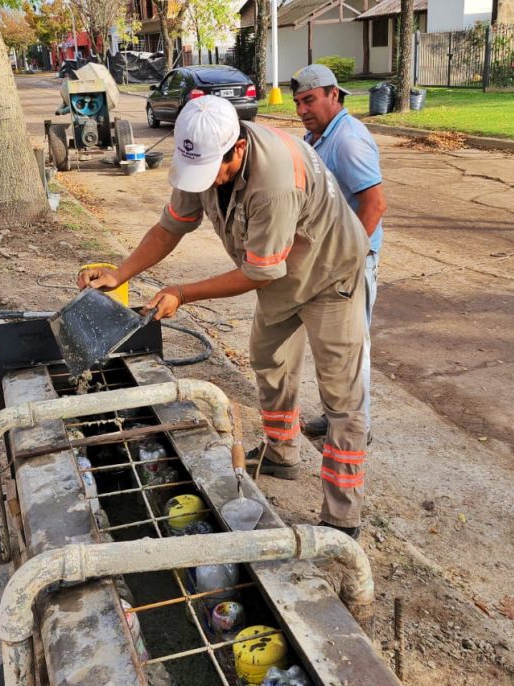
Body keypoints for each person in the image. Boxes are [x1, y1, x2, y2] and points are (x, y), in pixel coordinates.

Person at [77, 96, 370, 536]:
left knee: (340, 395)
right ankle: (281, 454)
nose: (205, 181)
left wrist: (181, 293)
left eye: (212, 170)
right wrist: (120, 272)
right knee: (270, 361)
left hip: (330, 274)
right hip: (280, 276)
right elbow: (170, 227)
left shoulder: (275, 181)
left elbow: (258, 271)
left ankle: (342, 519)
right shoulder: (201, 157)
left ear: (238, 149)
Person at [290, 64, 387, 442]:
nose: (302, 110)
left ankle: (357, 429)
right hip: (328, 260)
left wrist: (348, 257)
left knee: (352, 348)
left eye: (310, 100)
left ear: (334, 94)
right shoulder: (318, 137)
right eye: (298, 102)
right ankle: (336, 416)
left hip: (350, 263)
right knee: (333, 348)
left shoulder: (348, 140)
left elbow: (374, 204)